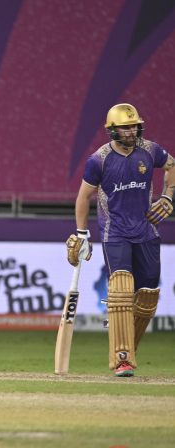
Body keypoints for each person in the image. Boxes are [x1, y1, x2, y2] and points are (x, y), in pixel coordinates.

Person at [69, 103, 173, 377]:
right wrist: (82, 234)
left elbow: (172, 165)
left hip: (146, 231)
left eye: (134, 125)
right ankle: (122, 357)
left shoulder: (150, 151)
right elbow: (83, 197)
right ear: (112, 130)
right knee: (122, 290)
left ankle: (128, 346)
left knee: (148, 296)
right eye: (125, 127)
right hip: (114, 233)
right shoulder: (99, 160)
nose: (131, 130)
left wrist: (167, 196)